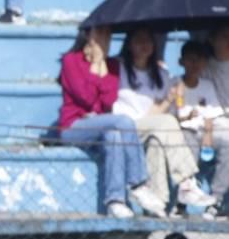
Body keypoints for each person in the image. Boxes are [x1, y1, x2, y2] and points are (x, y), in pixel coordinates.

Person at [57, 26, 164, 219]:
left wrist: (103, 67)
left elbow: (108, 101)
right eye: (100, 34)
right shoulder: (71, 61)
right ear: (88, 36)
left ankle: (115, 201)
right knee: (123, 121)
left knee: (114, 136)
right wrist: (95, 67)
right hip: (74, 125)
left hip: (102, 125)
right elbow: (86, 98)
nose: (105, 39)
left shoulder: (112, 65)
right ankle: (138, 183)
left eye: (108, 35)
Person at [112, 28, 214, 215]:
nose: (145, 45)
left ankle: (158, 204)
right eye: (139, 40)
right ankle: (186, 181)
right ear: (129, 45)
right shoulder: (118, 69)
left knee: (156, 143)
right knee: (166, 123)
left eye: (148, 41)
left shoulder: (160, 73)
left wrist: (172, 98)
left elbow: (158, 113)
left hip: (152, 127)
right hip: (126, 127)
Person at [167, 40, 229, 219]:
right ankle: (181, 202)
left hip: (205, 131)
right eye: (190, 59)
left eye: (199, 60)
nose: (195, 64)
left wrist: (208, 135)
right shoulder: (175, 83)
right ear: (181, 62)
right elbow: (173, 116)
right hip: (184, 131)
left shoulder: (207, 84)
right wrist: (187, 117)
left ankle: (215, 200)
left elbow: (211, 112)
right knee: (188, 147)